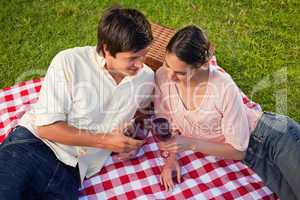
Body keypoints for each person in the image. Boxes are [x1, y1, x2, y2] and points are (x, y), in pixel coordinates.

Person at [0, 6, 155, 199]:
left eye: (144, 56)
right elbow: (46, 128)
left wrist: (132, 142)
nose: (141, 64)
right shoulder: (70, 62)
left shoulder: (146, 78)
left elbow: (143, 116)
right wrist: (107, 140)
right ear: (107, 49)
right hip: (34, 147)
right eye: (132, 58)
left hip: (73, 173)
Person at [154, 25, 300, 200]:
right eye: (167, 64)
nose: (170, 76)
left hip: (272, 137)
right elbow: (167, 120)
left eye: (179, 73)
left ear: (201, 65)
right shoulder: (163, 76)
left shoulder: (223, 87)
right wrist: (171, 158)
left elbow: (238, 150)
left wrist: (190, 144)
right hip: (253, 158)